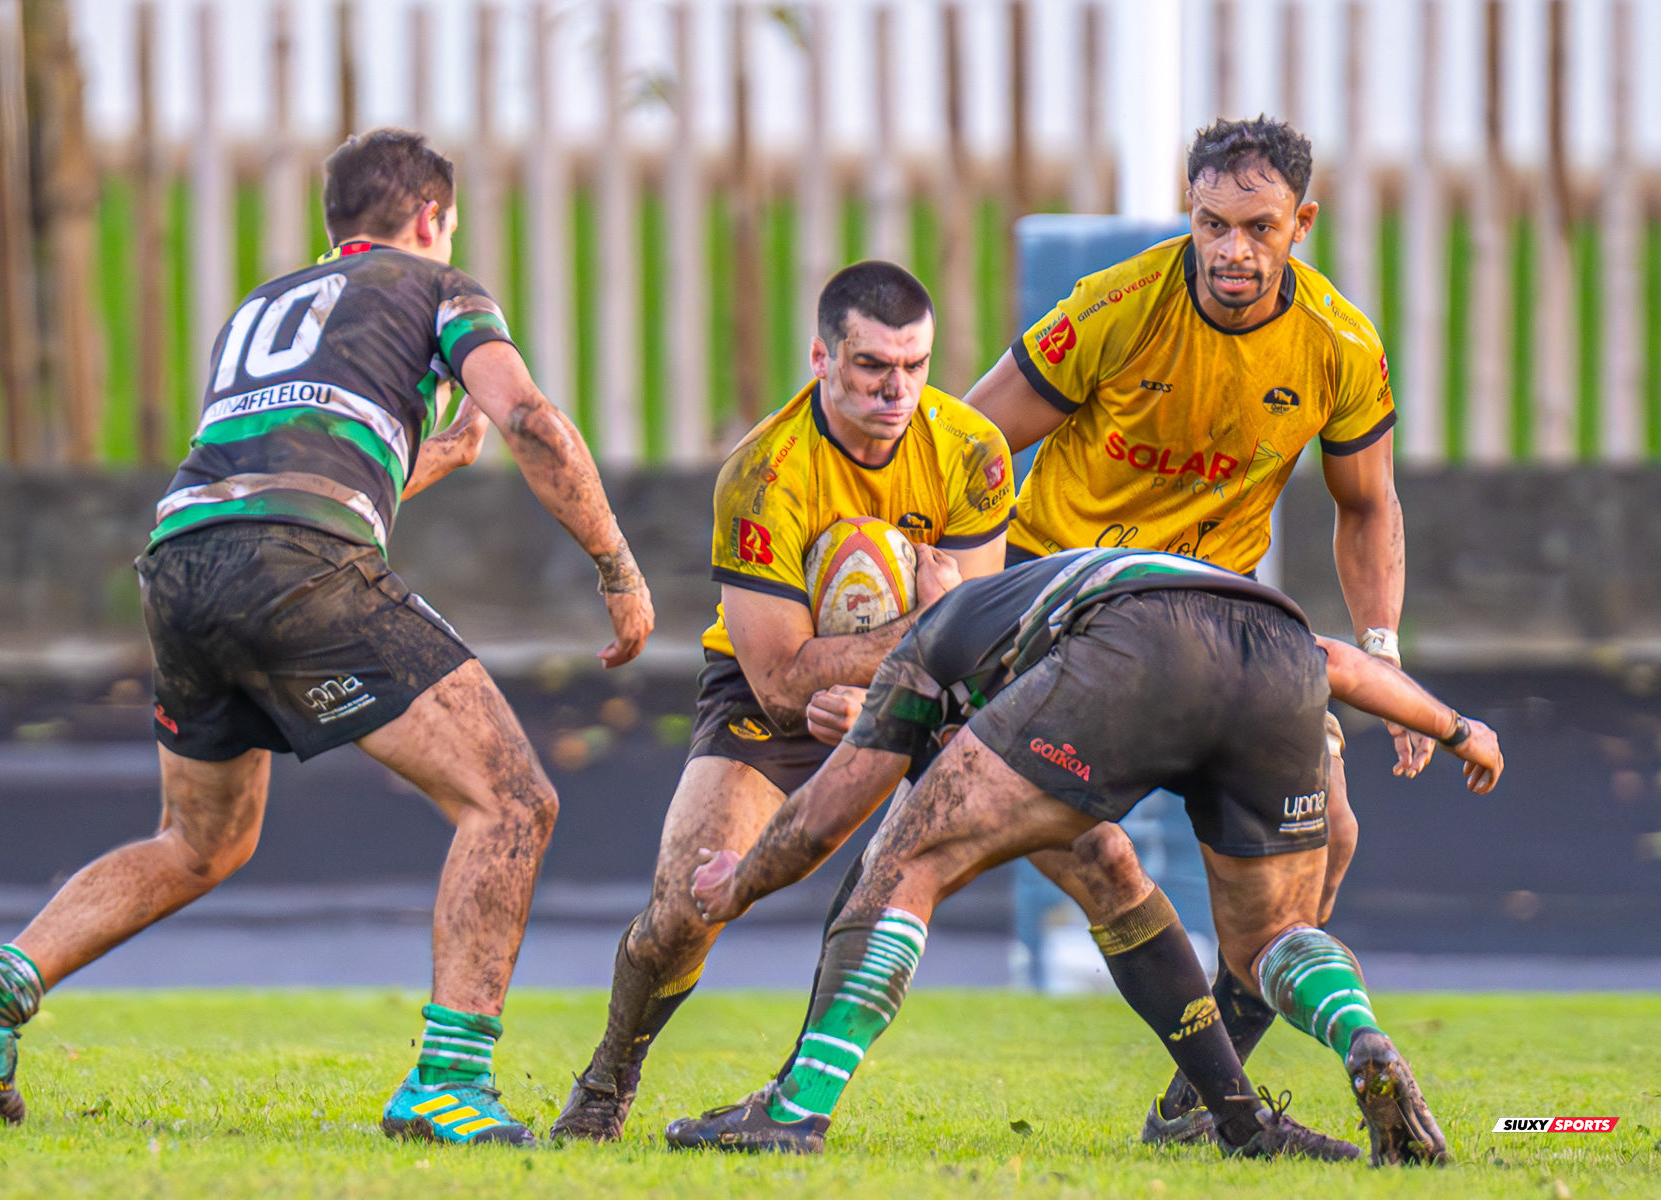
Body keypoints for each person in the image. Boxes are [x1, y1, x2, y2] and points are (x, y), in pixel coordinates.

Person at [0, 129, 654, 1148]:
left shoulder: (264, 307)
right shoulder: (439, 287)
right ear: (433, 218)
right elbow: (530, 418)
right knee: (511, 801)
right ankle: (449, 1081)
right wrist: (616, 564)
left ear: (332, 225)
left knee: (202, 840)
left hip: (180, 563)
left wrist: (419, 461)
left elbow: (289, 471)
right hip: (296, 566)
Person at [670, 548, 1502, 1164]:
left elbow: (823, 818)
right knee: (1268, 937)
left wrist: (735, 882)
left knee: (905, 866)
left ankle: (796, 1109)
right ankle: (1358, 1036)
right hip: (1278, 649)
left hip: (1134, 648)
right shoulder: (1061, 582)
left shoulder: (928, 644)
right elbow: (1340, 662)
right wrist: (1459, 729)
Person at [949, 115, 1421, 1141]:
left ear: (1302, 221)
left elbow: (1368, 504)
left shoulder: (1339, 346)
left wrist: (1381, 652)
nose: (1231, 252)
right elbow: (975, 445)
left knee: (1330, 835)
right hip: (1065, 598)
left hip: (1217, 623)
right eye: (1211, 224)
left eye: (1257, 227)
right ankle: (794, 1092)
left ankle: (1198, 1103)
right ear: (1189, 214)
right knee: (1026, 849)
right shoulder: (1118, 306)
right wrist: (947, 602)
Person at [549, 262, 1014, 1142]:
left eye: (914, 365)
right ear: (820, 358)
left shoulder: (973, 452)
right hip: (771, 701)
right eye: (873, 365)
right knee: (688, 906)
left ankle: (1215, 1105)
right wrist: (919, 625)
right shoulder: (762, 473)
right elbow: (781, 678)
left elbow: (972, 648)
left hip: (924, 700)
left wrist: (902, 673)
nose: (897, 389)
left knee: (1095, 856)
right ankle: (610, 1078)